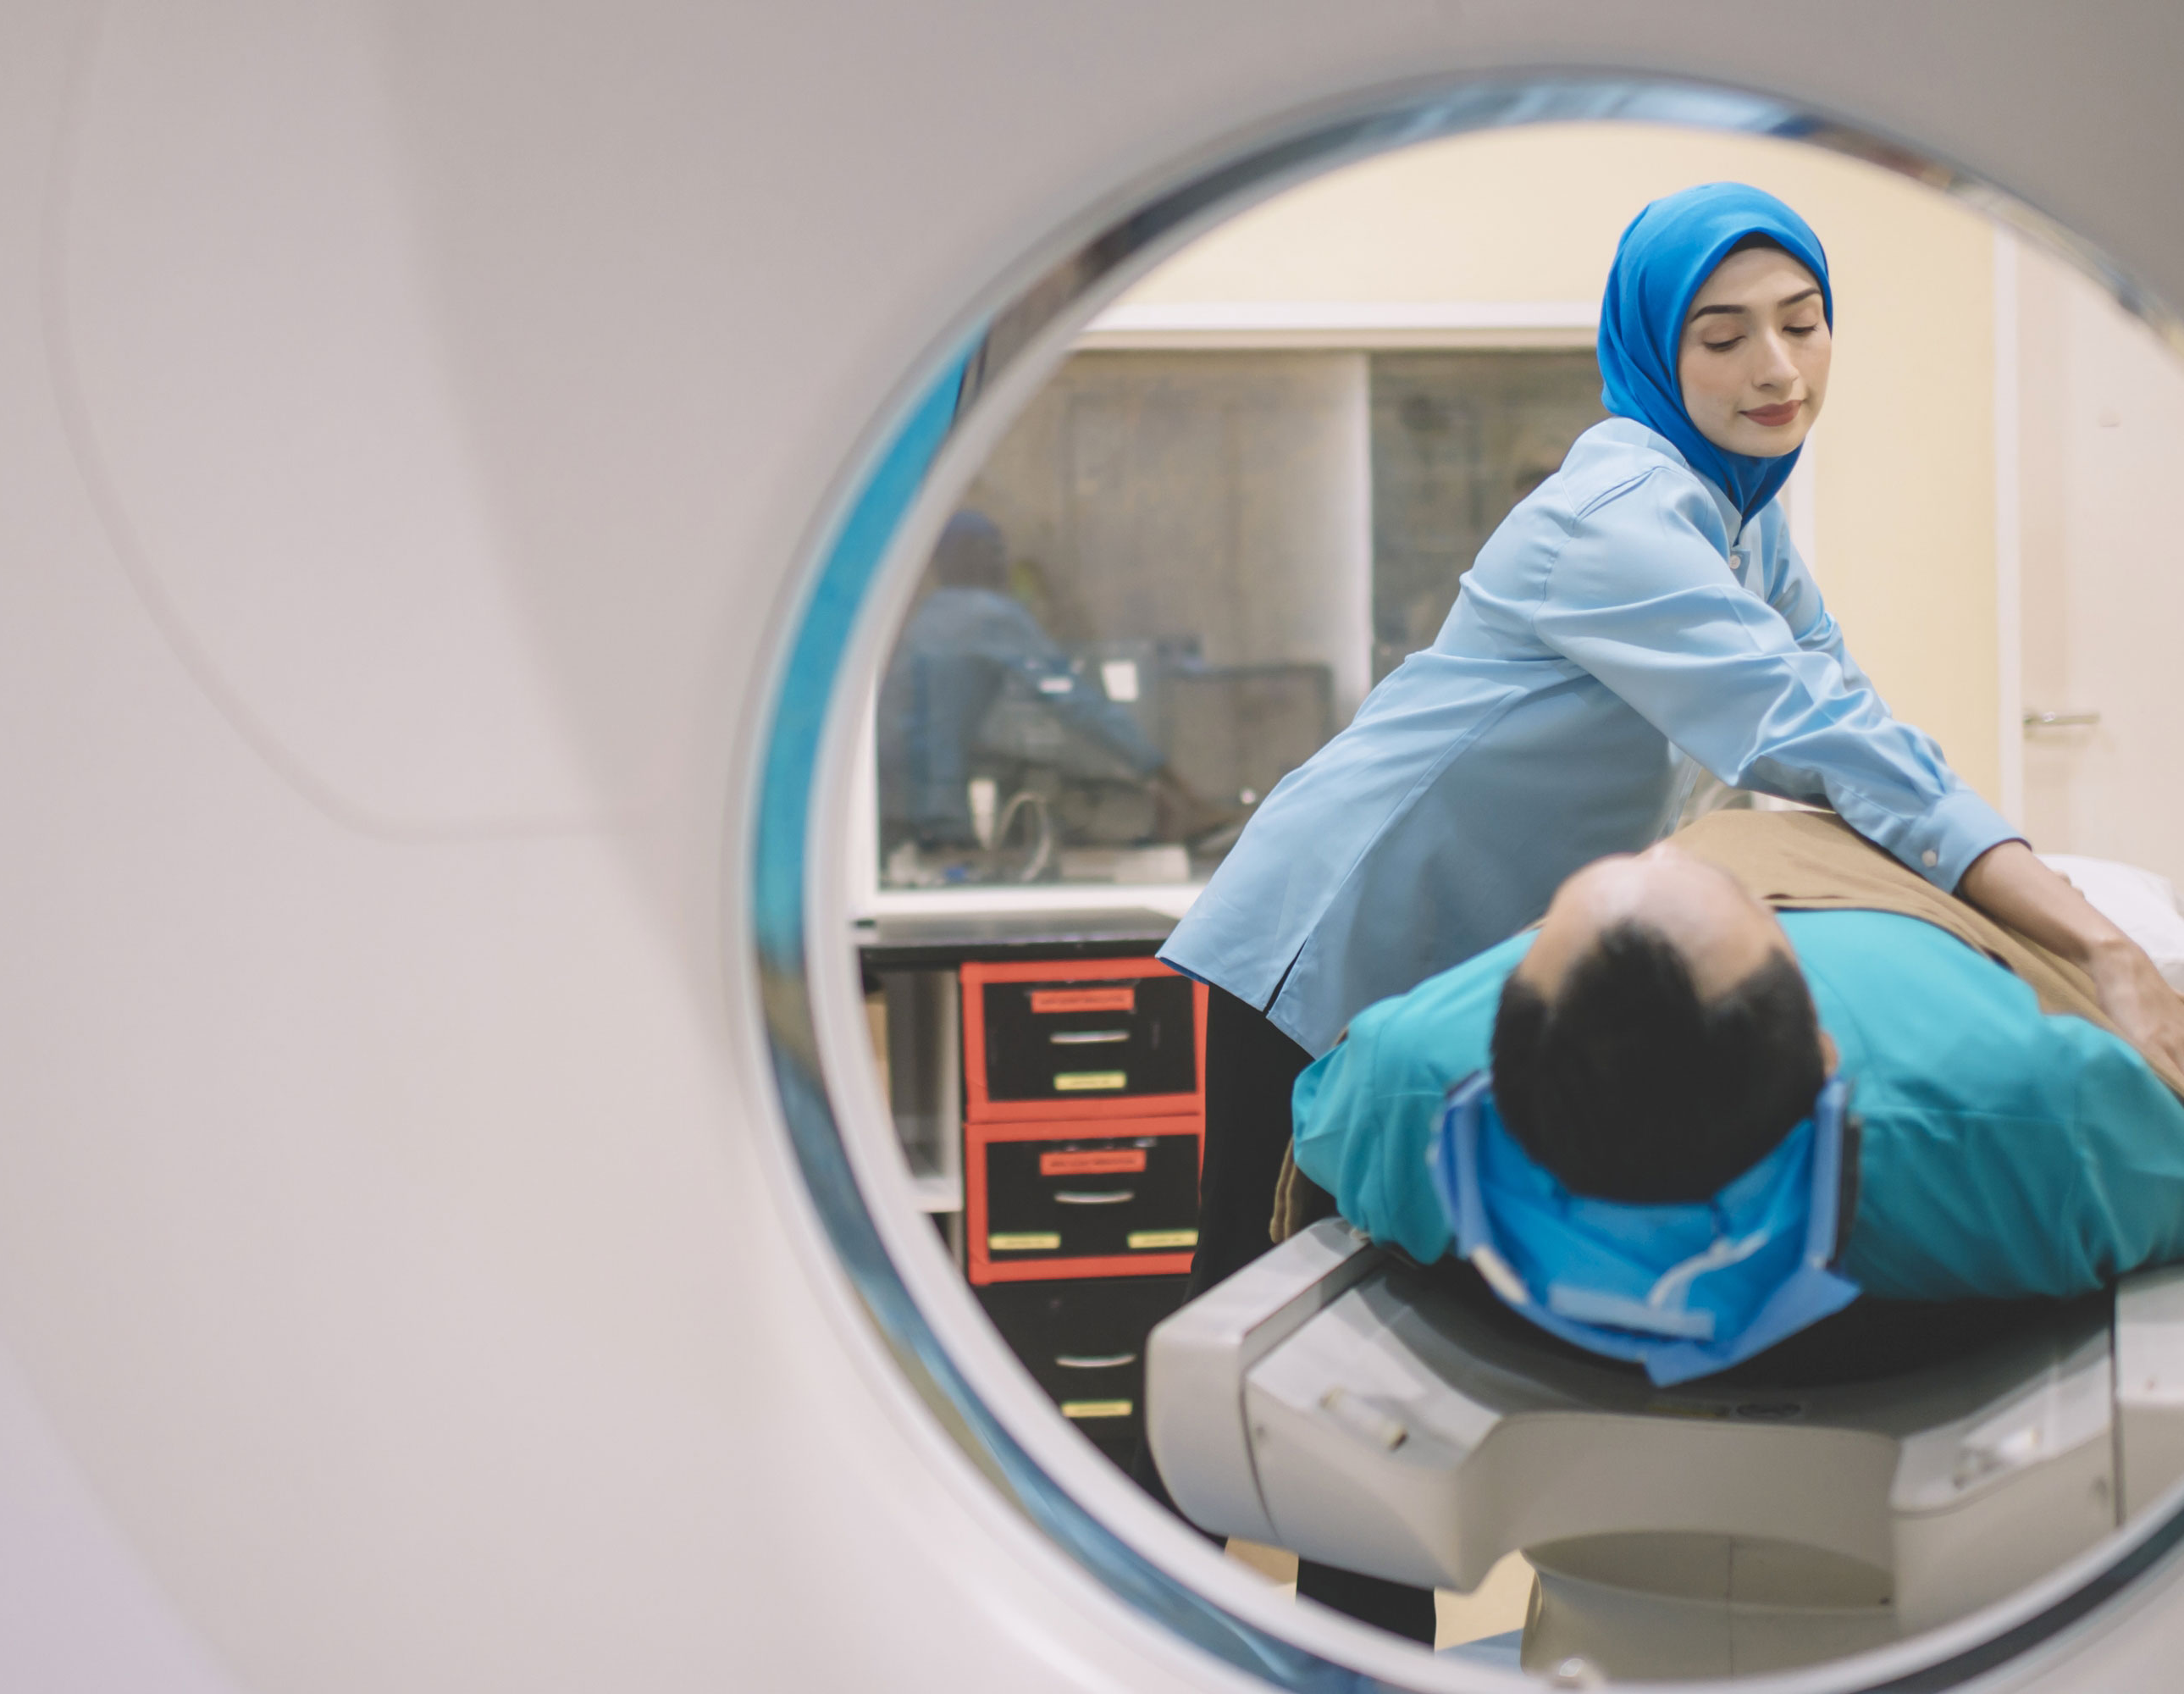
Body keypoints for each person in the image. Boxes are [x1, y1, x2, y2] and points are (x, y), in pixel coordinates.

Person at [1161, 182, 2184, 1313]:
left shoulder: (1742, 515)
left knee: (1364, 1267)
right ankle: (1146, 1496)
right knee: (1251, 1294)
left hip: (1456, 934)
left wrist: (1990, 894)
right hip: (1336, 920)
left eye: (1802, 322)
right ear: (1656, 344)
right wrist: (2094, 942)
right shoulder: (1619, 515)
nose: (1778, 368)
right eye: (1724, 335)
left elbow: (1851, 707)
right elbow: (1809, 733)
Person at [1292, 810, 2184, 1387]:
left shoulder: (1408, 1074)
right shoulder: (2029, 1111)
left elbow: (1319, 1133)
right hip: (1897, 899)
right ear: (1827, 1048)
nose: (1659, 850)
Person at [876, 510, 1166, 850]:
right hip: (933, 809)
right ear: (961, 555)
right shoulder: (985, 612)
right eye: (994, 550)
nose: (1002, 562)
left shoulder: (931, 616)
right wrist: (1159, 768)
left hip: (895, 806)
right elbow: (1074, 700)